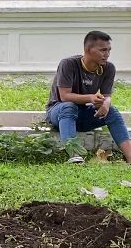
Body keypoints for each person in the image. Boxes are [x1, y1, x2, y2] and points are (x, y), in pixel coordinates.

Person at [46, 31, 131, 164]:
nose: (107, 54)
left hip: (83, 115)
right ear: (88, 50)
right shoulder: (68, 64)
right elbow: (64, 96)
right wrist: (91, 97)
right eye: (103, 50)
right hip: (59, 112)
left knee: (112, 112)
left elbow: (107, 96)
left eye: (109, 50)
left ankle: (129, 156)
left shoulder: (108, 68)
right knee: (69, 106)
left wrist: (106, 103)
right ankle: (74, 156)